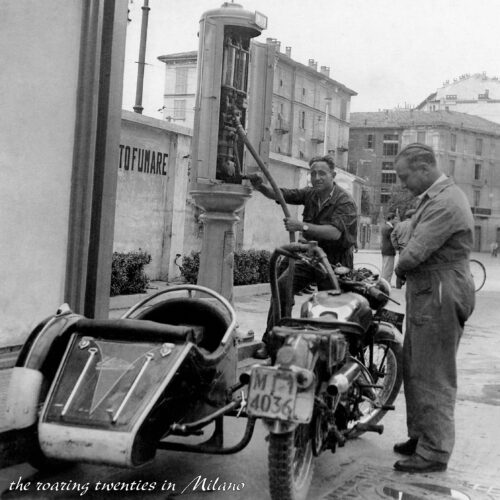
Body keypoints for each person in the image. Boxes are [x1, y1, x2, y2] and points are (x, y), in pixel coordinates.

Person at [392, 143, 475, 473]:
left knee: (433, 373)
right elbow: (408, 235)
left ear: (424, 169)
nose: (402, 184)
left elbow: (414, 250)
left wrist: (399, 267)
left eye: (404, 177)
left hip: (440, 289)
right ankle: (421, 437)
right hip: (430, 288)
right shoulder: (433, 198)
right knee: (416, 367)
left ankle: (435, 450)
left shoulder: (445, 202)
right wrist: (405, 241)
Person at [248, 155, 358, 359]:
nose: (317, 178)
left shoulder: (345, 201)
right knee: (282, 288)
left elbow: (335, 233)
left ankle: (331, 355)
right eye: (313, 173)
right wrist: (261, 187)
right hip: (309, 258)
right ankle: (274, 343)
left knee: (329, 308)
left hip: (334, 263)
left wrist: (302, 226)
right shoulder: (310, 194)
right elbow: (283, 194)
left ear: (333, 175)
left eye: (322, 173)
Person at [390, 209, 416, 288]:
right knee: (412, 267)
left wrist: (396, 246)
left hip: (402, 249)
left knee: (401, 266)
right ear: (413, 216)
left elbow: (393, 235)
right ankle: (410, 286)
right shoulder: (415, 225)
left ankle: (398, 285)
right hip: (412, 249)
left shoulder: (399, 225)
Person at [380, 213, 397, 285]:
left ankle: (385, 282)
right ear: (391, 219)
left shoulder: (384, 226)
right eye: (395, 219)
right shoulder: (390, 228)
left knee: (385, 267)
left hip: (385, 249)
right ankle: (386, 283)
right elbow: (393, 239)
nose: (396, 220)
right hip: (389, 250)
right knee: (388, 268)